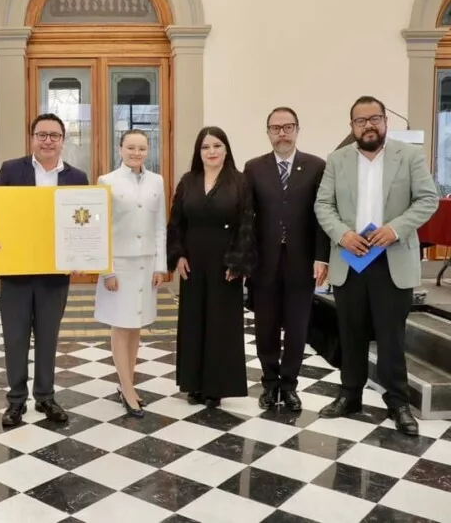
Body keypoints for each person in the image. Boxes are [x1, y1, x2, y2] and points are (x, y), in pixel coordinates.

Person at [314, 96, 438, 436]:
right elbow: (323, 204)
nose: (368, 125)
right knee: (350, 332)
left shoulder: (409, 156)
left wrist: (395, 229)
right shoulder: (337, 160)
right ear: (352, 126)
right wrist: (342, 235)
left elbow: (427, 198)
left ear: (385, 121)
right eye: (360, 120)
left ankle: (397, 402)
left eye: (375, 119)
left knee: (391, 335)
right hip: (350, 258)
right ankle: (350, 395)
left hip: (391, 259)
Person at [0, 113, 89, 427]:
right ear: (32, 138)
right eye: (41, 135)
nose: (47, 141)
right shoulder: (12, 169)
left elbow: (82, 225)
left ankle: (45, 397)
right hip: (16, 271)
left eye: (54, 135)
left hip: (54, 275)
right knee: (15, 338)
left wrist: (83, 256)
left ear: (62, 140)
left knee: (48, 336)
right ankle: (16, 402)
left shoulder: (76, 177)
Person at [244, 107, 330, 411]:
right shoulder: (253, 168)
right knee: (265, 325)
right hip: (264, 261)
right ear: (267, 132)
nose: (282, 133)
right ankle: (269, 385)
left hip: (302, 260)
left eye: (288, 127)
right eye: (276, 128)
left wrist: (322, 257)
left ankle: (290, 386)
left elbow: (322, 216)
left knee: (297, 326)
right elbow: (246, 217)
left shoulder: (317, 166)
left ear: (297, 129)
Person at [167, 126, 256, 408]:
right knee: (193, 320)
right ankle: (193, 383)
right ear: (199, 152)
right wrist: (178, 255)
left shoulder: (239, 182)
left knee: (221, 323)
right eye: (205, 147)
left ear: (226, 149)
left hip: (224, 262)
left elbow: (246, 224)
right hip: (193, 261)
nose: (211, 151)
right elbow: (176, 222)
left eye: (217, 145)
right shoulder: (188, 181)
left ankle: (216, 386)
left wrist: (238, 261)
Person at [94, 129, 166, 417]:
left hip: (146, 264)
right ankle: (127, 389)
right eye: (131, 148)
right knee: (120, 325)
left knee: (136, 326)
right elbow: (101, 229)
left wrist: (161, 265)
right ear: (120, 149)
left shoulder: (157, 182)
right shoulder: (107, 182)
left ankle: (128, 384)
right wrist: (106, 270)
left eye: (142, 148)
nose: (136, 153)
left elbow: (160, 225)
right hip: (119, 266)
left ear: (148, 151)